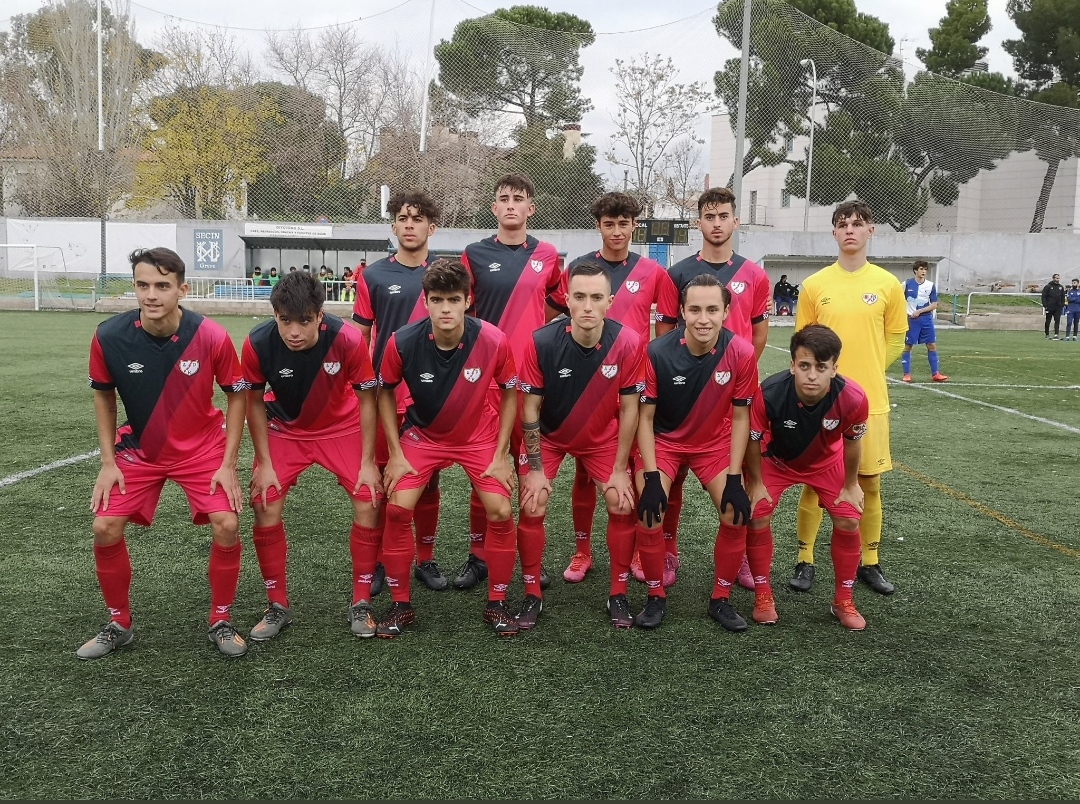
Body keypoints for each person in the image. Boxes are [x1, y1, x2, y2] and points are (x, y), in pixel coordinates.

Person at [78, 247, 248, 660]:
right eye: (142, 285)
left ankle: (221, 618)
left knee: (226, 522)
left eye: (162, 286)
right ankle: (119, 623)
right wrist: (107, 462)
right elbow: (103, 398)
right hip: (140, 448)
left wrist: (228, 464)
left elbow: (237, 395)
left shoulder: (210, 336)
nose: (151, 295)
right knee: (104, 527)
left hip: (202, 446)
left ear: (181, 289)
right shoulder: (109, 336)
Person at [376, 259, 519, 637]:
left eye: (453, 299)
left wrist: (502, 453)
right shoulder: (402, 341)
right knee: (396, 509)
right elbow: (385, 393)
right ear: (425, 301)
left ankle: (497, 603)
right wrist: (395, 453)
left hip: (478, 437)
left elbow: (510, 392)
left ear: (468, 301)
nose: (445, 309)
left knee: (501, 510)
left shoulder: (492, 339)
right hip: (423, 437)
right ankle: (400, 605)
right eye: (437, 299)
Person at [241, 271, 382, 642]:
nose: (294, 332)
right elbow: (253, 403)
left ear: (320, 315)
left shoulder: (348, 339)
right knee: (264, 501)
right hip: (286, 430)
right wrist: (265, 462)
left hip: (341, 426)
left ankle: (362, 602)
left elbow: (368, 400)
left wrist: (369, 462)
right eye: (285, 321)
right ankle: (277, 606)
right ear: (274, 315)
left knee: (369, 499)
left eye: (304, 321)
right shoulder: (257, 343)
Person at [548, 191, 678, 584]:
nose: (617, 231)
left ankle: (638, 550)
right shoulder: (580, 268)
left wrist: (650, 368)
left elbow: (666, 328)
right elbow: (555, 316)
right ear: (598, 225)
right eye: (609, 224)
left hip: (629, 384)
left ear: (634, 225)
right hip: (584, 380)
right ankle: (582, 550)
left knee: (633, 469)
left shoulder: (654, 272)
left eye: (624, 223)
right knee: (584, 474)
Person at [517, 261, 646, 630]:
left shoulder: (628, 342)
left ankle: (617, 592)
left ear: (611, 301)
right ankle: (531, 594)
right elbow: (529, 409)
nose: (587, 306)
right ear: (567, 301)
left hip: (601, 439)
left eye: (596, 297)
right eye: (579, 297)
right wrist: (537, 470)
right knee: (532, 502)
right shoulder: (541, 341)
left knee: (622, 501)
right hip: (552, 438)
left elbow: (630, 409)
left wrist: (621, 469)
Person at [790, 199, 907, 597]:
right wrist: (823, 379)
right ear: (834, 232)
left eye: (858, 223)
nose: (850, 230)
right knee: (814, 482)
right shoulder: (816, 285)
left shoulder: (887, 284)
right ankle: (805, 559)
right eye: (843, 224)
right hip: (821, 402)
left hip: (869, 401)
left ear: (871, 230)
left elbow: (895, 337)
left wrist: (868, 371)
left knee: (869, 483)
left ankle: (869, 562)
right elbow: (803, 344)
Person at [453, 172, 562, 591]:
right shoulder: (474, 254)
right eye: (504, 198)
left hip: (533, 379)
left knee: (532, 464)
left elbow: (555, 300)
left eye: (520, 198)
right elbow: (463, 308)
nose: (512, 204)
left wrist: (533, 337)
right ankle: (479, 555)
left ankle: (530, 557)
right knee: (486, 467)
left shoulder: (548, 254)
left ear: (531, 208)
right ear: (494, 208)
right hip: (488, 380)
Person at [634, 274, 757, 630]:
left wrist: (735, 478)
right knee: (649, 511)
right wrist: (653, 477)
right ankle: (655, 595)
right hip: (665, 442)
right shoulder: (657, 351)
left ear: (727, 311)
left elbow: (740, 417)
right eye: (695, 309)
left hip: (714, 444)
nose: (704, 318)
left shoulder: (742, 352)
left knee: (736, 513)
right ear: (682, 312)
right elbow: (645, 418)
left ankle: (721, 599)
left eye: (712, 310)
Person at [664, 186, 770, 591]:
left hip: (733, 394)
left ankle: (740, 556)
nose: (716, 223)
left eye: (723, 215)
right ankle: (667, 549)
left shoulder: (754, 275)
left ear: (735, 221)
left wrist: (736, 374)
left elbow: (758, 335)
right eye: (709, 216)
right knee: (669, 478)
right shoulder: (677, 274)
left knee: (736, 477)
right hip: (683, 395)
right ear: (699, 223)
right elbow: (663, 338)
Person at [744, 325, 870, 630]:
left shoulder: (853, 398)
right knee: (756, 513)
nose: (812, 375)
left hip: (827, 464)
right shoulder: (770, 392)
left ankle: (843, 600)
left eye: (821, 367)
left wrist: (851, 485)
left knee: (849, 518)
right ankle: (763, 595)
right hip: (777, 462)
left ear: (834, 368)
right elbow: (752, 439)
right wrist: (757, 484)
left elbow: (853, 444)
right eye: (804, 366)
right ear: (792, 365)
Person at [351, 190, 445, 592]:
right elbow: (360, 338)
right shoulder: (372, 276)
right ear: (393, 226)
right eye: (403, 218)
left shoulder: (444, 275)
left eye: (418, 218)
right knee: (383, 478)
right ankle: (374, 562)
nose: (410, 225)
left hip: (431, 393)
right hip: (385, 393)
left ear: (431, 227)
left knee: (429, 480)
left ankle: (425, 558)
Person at [902, 260, 949, 383]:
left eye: (925, 269)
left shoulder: (930, 285)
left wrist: (920, 311)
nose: (923, 271)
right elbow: (898, 300)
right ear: (915, 271)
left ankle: (936, 374)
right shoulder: (906, 284)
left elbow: (934, 305)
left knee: (931, 345)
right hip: (912, 320)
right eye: (921, 269)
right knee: (908, 346)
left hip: (926, 319)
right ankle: (906, 374)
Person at [1042, 273, 1067, 340]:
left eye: (1058, 278)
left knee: (1057, 321)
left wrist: (1062, 304)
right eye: (1056, 278)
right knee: (1048, 321)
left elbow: (1063, 297)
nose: (1057, 279)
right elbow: (1044, 296)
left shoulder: (1061, 287)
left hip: (1058, 307)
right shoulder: (1048, 286)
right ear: (1053, 278)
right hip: (1049, 307)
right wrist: (1045, 305)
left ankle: (1056, 334)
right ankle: (1047, 334)